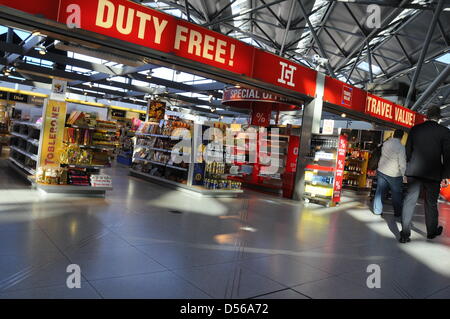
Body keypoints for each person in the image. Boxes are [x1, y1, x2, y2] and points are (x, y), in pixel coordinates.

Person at [399, 106, 450, 243]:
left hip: (414, 172)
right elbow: (447, 156)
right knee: (431, 203)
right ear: (439, 117)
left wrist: (406, 170)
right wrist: (446, 176)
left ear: (426, 115)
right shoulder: (445, 132)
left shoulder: (415, 129)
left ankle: (404, 233)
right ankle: (431, 232)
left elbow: (407, 151)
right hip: (433, 173)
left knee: (409, 201)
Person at [372, 129, 406, 217]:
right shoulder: (401, 147)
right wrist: (404, 175)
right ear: (401, 137)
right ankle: (398, 213)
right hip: (394, 174)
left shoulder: (386, 143)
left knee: (380, 192)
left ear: (394, 134)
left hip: (382, 171)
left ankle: (377, 210)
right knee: (396, 195)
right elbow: (402, 163)